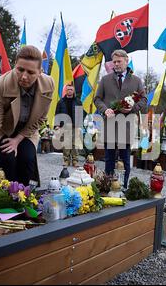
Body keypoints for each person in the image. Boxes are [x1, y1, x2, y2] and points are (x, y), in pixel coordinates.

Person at [0, 45, 54, 186]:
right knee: (6, 157)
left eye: (31, 72)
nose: (24, 76)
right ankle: (6, 197)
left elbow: (40, 119)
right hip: (2, 128)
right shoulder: (0, 85)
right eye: (20, 70)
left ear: (40, 72)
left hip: (27, 130)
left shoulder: (48, 84)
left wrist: (18, 140)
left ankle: (25, 197)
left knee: (27, 157)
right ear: (15, 66)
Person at [94, 49, 147, 188]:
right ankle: (107, 186)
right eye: (114, 62)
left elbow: (143, 100)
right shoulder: (105, 80)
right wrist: (105, 110)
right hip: (109, 125)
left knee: (125, 160)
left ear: (126, 61)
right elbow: (97, 99)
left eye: (119, 61)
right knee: (109, 160)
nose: (116, 64)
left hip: (126, 125)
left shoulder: (136, 80)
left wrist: (133, 108)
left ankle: (123, 187)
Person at [55, 83, 83, 167]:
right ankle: (66, 160)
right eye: (68, 89)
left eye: (71, 89)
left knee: (75, 144)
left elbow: (80, 114)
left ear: (73, 91)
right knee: (66, 143)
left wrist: (80, 125)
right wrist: (57, 125)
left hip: (75, 125)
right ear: (65, 91)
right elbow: (57, 114)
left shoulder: (78, 102)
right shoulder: (61, 102)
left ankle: (75, 161)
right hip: (65, 125)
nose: (69, 91)